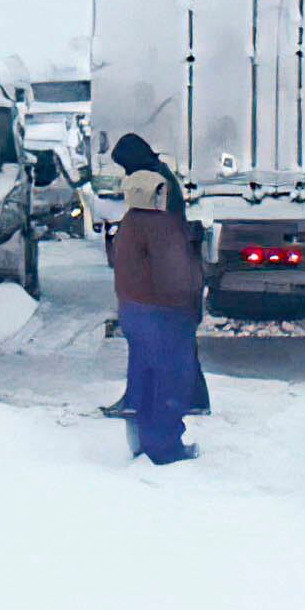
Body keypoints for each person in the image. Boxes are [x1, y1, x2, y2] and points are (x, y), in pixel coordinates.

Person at [106, 133, 204, 464]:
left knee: (147, 377)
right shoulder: (160, 225)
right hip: (163, 312)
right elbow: (174, 273)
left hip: (135, 309)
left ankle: (145, 440)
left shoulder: (131, 222)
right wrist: (190, 303)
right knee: (169, 381)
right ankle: (165, 449)